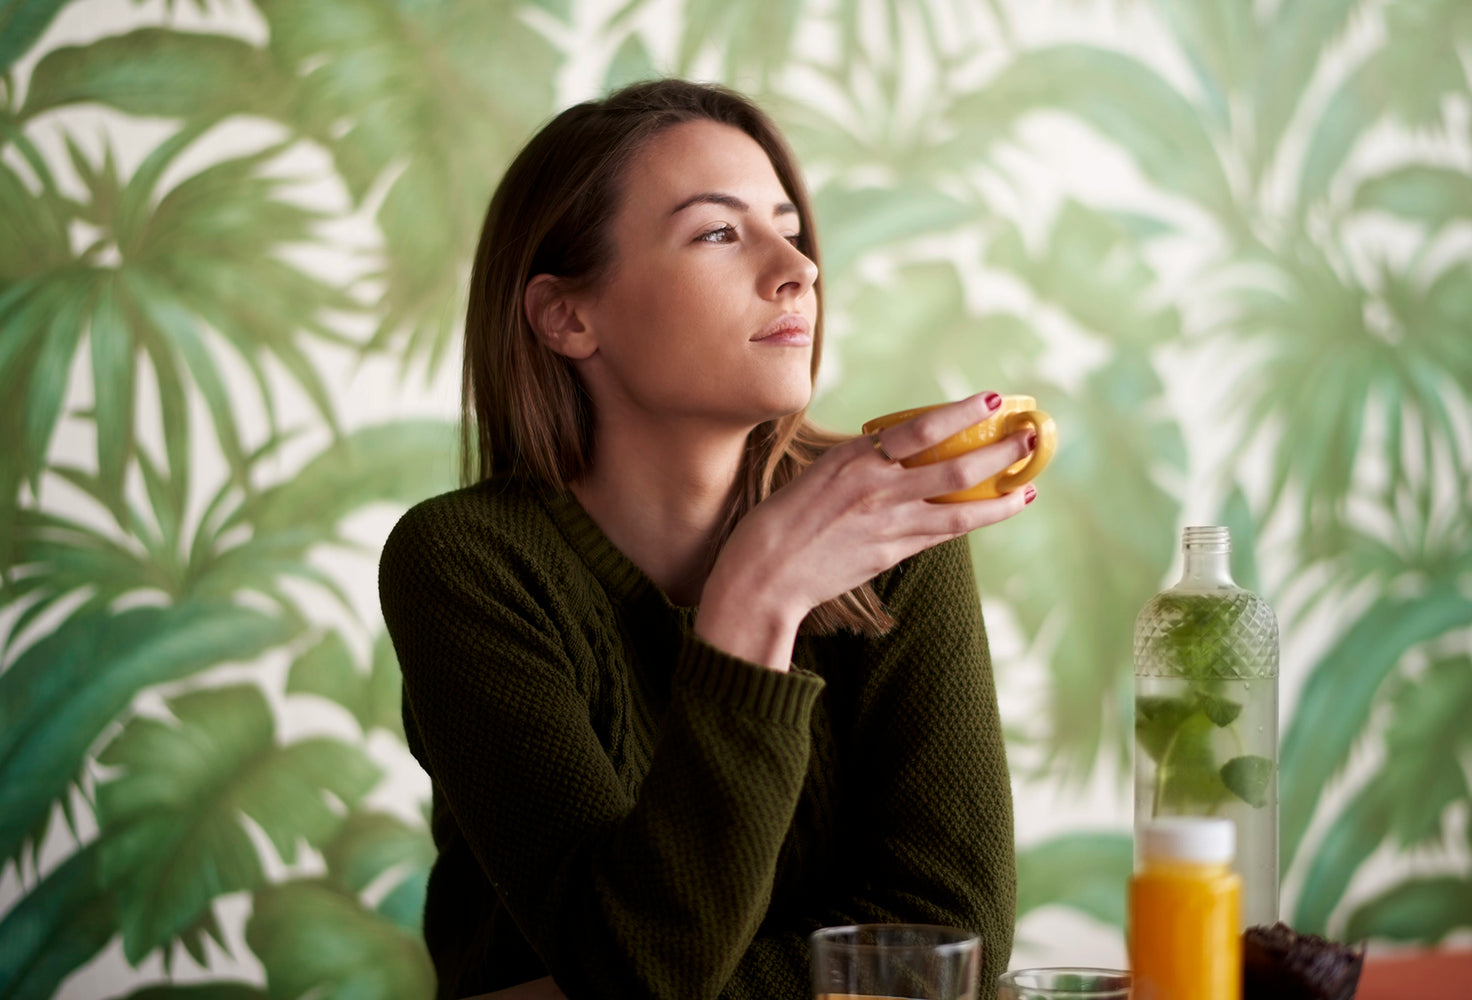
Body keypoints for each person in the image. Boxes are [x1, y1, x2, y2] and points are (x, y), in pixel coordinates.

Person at [379, 78, 1034, 1000]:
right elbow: (639, 971)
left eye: (789, 228)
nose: (796, 268)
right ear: (568, 316)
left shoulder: (894, 532)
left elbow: (950, 935)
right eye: (719, 233)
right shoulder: (465, 564)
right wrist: (755, 603)